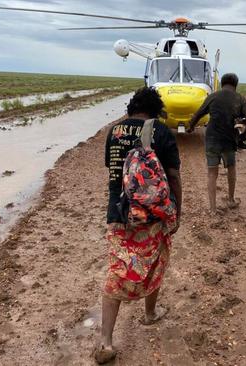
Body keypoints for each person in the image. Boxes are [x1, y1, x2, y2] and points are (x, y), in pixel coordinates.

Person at [96, 87, 182, 364]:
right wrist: (176, 211)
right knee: (155, 261)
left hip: (119, 213)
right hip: (152, 215)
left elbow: (113, 173)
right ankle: (149, 314)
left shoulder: (114, 131)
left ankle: (106, 341)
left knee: (118, 270)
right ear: (156, 109)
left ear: (132, 107)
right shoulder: (161, 131)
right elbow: (173, 176)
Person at [188, 73, 246, 214]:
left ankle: (212, 209)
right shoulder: (240, 99)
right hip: (229, 140)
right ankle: (231, 200)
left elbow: (198, 113)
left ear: (222, 83)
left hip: (212, 138)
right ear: (236, 85)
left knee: (212, 173)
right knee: (231, 168)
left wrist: (190, 127)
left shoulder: (213, 96)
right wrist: (243, 137)